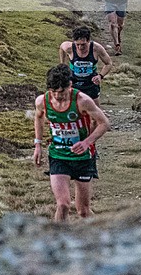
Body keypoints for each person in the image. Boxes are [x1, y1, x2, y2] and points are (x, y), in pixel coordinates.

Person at [33, 64, 111, 222]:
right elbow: (39, 117)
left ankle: (102, 236)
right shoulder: (43, 101)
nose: (57, 96)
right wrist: (38, 145)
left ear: (69, 86)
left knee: (82, 210)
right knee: (63, 204)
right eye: (53, 91)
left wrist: (87, 142)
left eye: (61, 92)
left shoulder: (83, 101)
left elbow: (104, 123)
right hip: (58, 156)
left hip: (82, 158)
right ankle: (57, 243)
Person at [59, 26, 112, 105]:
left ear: (88, 41)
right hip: (73, 82)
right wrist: (63, 64)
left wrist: (100, 76)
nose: (80, 47)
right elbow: (61, 48)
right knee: (72, 108)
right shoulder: (69, 47)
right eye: (78, 44)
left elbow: (108, 63)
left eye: (83, 44)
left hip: (91, 83)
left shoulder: (96, 48)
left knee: (95, 111)